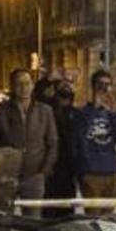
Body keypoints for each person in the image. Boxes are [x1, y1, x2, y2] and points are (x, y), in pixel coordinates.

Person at [0, 68, 58, 216]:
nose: (23, 88)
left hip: (34, 177)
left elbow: (52, 143)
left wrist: (44, 171)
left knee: (33, 224)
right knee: (1, 222)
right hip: (6, 177)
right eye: (19, 84)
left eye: (27, 83)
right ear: (12, 86)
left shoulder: (45, 111)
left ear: (33, 85)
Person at [78, 69, 116, 216]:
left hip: (111, 172)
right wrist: (94, 108)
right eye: (100, 85)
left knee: (108, 217)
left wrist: (113, 113)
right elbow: (81, 138)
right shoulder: (83, 113)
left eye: (107, 85)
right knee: (93, 217)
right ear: (93, 87)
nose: (104, 89)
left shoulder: (111, 113)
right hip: (91, 173)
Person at [44, 81, 82, 218]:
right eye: (61, 94)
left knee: (67, 211)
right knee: (49, 209)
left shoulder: (76, 114)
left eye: (68, 94)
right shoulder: (48, 112)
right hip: (51, 168)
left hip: (69, 170)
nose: (64, 98)